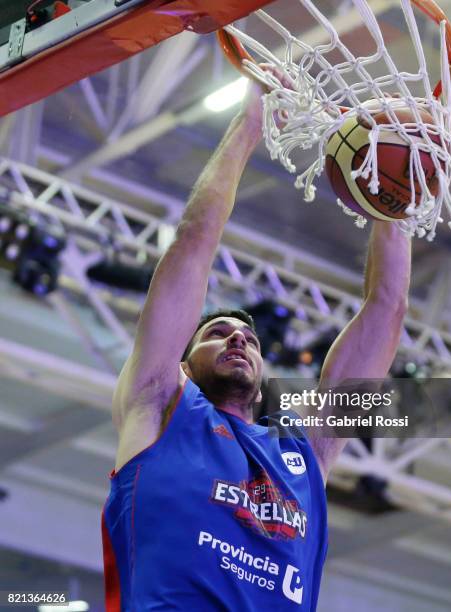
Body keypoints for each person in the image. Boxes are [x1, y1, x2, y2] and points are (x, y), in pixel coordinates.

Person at [101, 76, 411, 611]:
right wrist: (249, 128)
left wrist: (394, 203)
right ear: (180, 361)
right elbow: (195, 238)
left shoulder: (303, 453)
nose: (238, 339)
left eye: (248, 337)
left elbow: (388, 308)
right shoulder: (156, 404)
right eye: (217, 333)